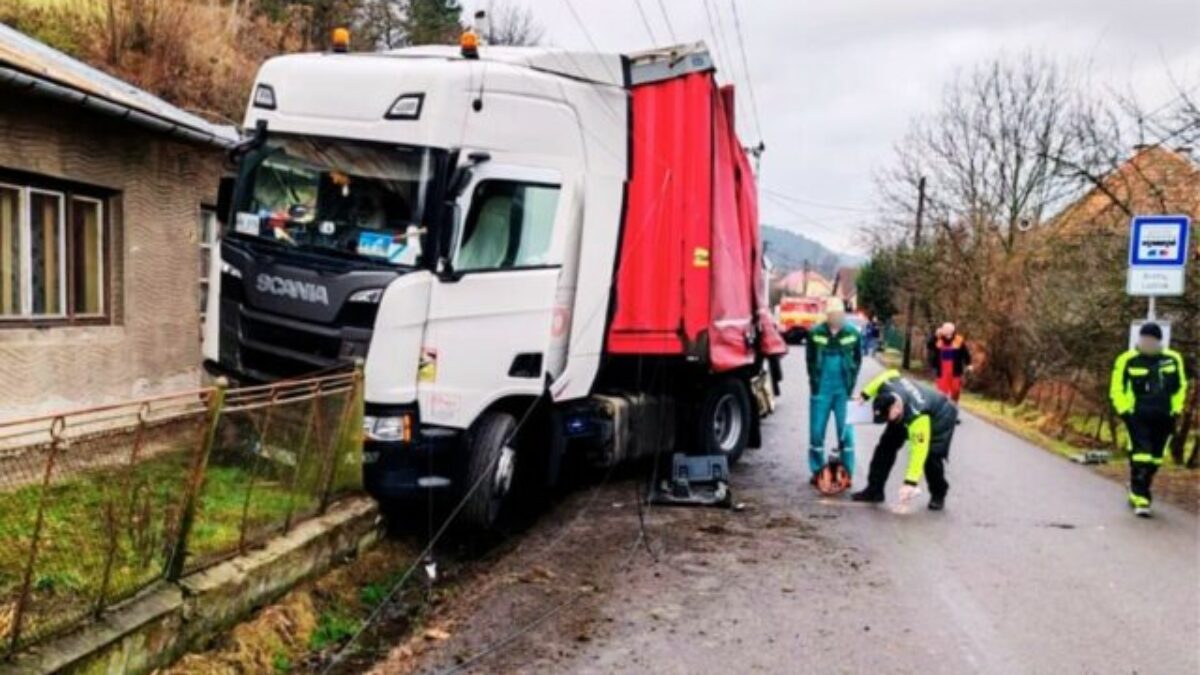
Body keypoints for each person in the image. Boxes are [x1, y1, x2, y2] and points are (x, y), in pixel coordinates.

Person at [1109, 323, 1188, 518]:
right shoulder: (1127, 360)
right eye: (1144, 339)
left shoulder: (1172, 359)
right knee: (1141, 455)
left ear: (1159, 341)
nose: (1148, 343)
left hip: (1164, 415)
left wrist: (1176, 410)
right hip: (1138, 415)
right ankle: (1141, 497)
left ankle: (1139, 488)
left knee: (1155, 458)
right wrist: (1125, 411)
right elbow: (1117, 387)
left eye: (1151, 339)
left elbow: (1180, 387)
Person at [852, 370, 958, 510]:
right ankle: (874, 490)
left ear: (895, 409)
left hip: (941, 415)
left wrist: (910, 482)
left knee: (931, 457)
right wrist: (865, 394)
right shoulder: (887, 388)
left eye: (887, 418)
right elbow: (889, 373)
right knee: (885, 447)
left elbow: (919, 451)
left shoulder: (918, 417)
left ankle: (939, 493)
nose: (887, 421)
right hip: (906, 411)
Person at [806, 298, 863, 487]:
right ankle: (817, 472)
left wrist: (851, 383)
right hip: (821, 389)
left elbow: (858, 359)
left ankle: (847, 473)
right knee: (816, 433)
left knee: (846, 433)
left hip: (843, 391)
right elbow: (810, 360)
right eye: (833, 315)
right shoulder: (815, 333)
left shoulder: (853, 334)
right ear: (828, 316)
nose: (836, 318)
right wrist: (814, 384)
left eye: (839, 315)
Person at [928, 322, 972, 402]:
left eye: (946, 329)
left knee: (955, 390)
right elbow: (929, 346)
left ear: (952, 330)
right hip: (942, 371)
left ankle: (954, 406)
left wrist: (968, 364)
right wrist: (935, 335)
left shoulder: (958, 340)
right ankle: (942, 409)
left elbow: (965, 353)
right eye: (943, 328)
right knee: (941, 393)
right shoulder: (938, 338)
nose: (944, 330)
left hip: (955, 371)